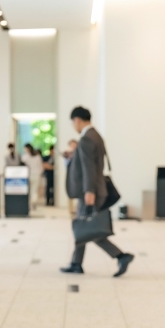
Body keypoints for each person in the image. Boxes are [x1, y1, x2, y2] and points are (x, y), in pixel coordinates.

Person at [60, 106, 134, 277]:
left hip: (91, 191)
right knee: (85, 225)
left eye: (73, 122)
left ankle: (121, 256)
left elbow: (89, 168)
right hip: (96, 188)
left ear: (77, 120)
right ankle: (76, 263)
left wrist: (89, 191)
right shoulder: (95, 135)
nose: (73, 126)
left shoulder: (87, 138)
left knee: (88, 228)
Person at [23, 143, 45, 209]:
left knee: (29, 190)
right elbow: (41, 166)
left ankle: (29, 203)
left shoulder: (25, 157)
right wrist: (40, 173)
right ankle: (34, 202)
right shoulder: (37, 156)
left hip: (28, 175)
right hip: (37, 175)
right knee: (34, 190)